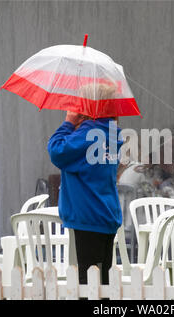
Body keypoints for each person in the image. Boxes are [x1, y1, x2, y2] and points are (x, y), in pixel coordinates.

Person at [48, 83, 123, 285]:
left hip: (87, 216)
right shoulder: (113, 133)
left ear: (90, 105)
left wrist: (68, 123)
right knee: (103, 281)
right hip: (107, 213)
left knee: (87, 282)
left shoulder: (88, 133)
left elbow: (57, 151)